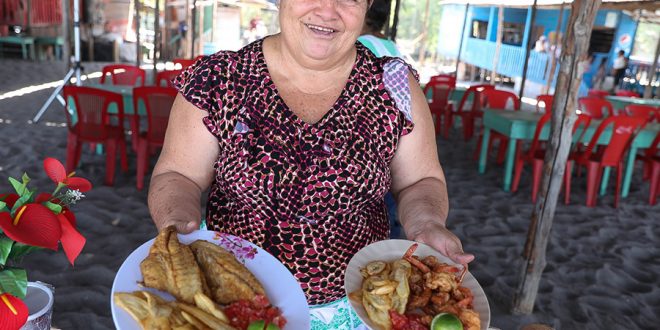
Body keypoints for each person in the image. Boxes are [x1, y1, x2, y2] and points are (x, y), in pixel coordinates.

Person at [148, 0, 474, 328]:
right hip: (234, 302)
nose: (328, 10)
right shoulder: (219, 79)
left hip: (361, 305)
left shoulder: (394, 85)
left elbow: (420, 180)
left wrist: (427, 224)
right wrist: (177, 225)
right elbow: (178, 173)